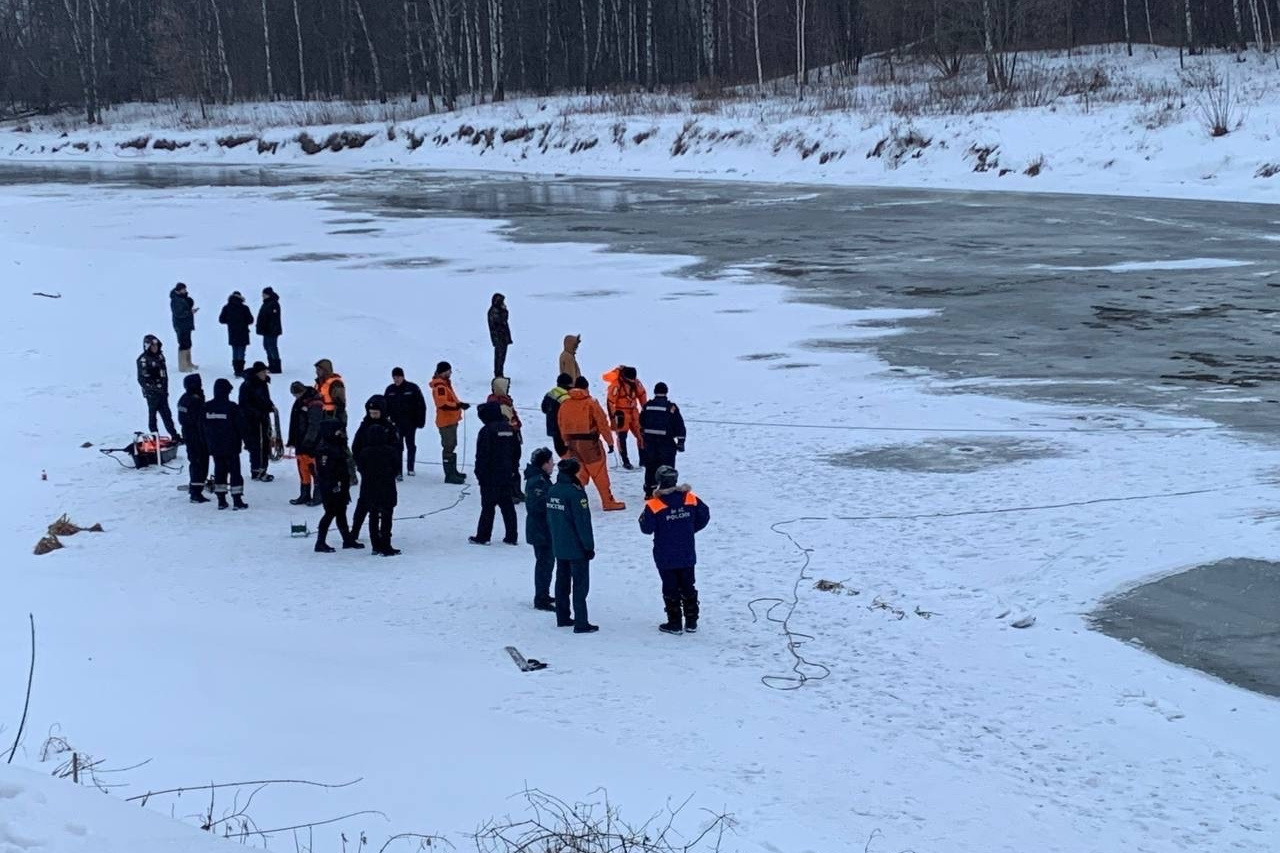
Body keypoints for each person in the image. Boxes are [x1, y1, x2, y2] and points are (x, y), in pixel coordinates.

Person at [638, 465, 710, 634]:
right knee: (688, 585)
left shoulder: (654, 504)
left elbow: (646, 528)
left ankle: (675, 622)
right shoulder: (689, 498)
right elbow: (704, 515)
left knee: (670, 587)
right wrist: (690, 529)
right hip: (687, 552)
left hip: (665, 554)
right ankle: (692, 621)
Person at [556, 376, 625, 511]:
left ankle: (573, 501)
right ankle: (608, 501)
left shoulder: (564, 404)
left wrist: (565, 441)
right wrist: (609, 442)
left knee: (579, 473)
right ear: (586, 388)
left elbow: (561, 424)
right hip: (590, 443)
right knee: (599, 473)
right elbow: (602, 423)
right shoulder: (590, 403)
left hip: (572, 443)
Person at [546, 458, 597, 633]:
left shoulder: (552, 490)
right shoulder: (575, 493)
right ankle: (581, 622)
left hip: (559, 545)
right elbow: (582, 523)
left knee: (561, 582)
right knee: (580, 585)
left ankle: (562, 616)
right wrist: (588, 546)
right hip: (576, 548)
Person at [351, 395, 402, 556]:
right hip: (369, 475)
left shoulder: (389, 427)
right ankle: (356, 533)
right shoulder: (364, 426)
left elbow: (397, 451)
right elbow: (356, 448)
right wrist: (362, 468)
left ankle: (380, 542)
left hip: (383, 476)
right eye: (371, 412)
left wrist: (394, 471)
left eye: (376, 413)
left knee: (378, 511)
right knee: (365, 507)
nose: (373, 415)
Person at [468, 402, 521, 546]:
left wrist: (479, 473)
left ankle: (483, 536)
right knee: (508, 506)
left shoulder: (486, 431)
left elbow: (482, 455)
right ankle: (512, 536)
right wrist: (513, 469)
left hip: (490, 475)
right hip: (506, 473)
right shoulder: (510, 429)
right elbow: (517, 451)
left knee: (488, 506)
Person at [313, 422, 364, 552]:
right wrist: (334, 484)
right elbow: (325, 470)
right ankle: (320, 542)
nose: (341, 433)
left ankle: (347, 539)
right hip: (331, 485)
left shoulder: (338, 445)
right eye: (338, 431)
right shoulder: (325, 448)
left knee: (341, 512)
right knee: (330, 513)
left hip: (341, 483)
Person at [202, 378, 249, 510]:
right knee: (235, 473)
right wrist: (248, 442)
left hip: (215, 447)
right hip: (231, 446)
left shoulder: (206, 407)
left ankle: (221, 500)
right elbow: (241, 427)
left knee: (219, 472)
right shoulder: (232, 407)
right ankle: (237, 500)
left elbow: (202, 427)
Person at [639, 382, 687, 499]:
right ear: (666, 392)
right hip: (666, 445)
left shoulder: (647, 406)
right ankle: (667, 493)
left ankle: (649, 492)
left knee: (650, 468)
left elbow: (641, 422)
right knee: (667, 469)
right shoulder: (671, 407)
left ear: (655, 392)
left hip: (650, 444)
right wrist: (681, 442)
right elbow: (679, 426)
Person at [524, 447, 556, 611]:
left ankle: (544, 593)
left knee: (548, 562)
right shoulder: (538, 481)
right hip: (540, 529)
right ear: (544, 464)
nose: (553, 464)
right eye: (551, 461)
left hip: (543, 528)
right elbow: (537, 505)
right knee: (544, 562)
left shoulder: (541, 479)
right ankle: (541, 597)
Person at [315, 358, 356, 485]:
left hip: (334, 417)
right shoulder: (320, 382)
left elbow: (341, 403)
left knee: (341, 445)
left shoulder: (335, 383)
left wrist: (340, 423)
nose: (317, 372)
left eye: (319, 369)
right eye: (316, 369)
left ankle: (351, 475)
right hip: (323, 417)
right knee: (325, 445)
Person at [430, 361, 470, 484]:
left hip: (451, 420)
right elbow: (442, 404)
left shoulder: (445, 384)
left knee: (452, 445)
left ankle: (453, 471)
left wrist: (458, 405)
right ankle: (449, 475)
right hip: (446, 421)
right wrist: (458, 406)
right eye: (449, 371)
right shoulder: (440, 387)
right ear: (443, 371)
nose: (450, 373)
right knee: (448, 446)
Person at [287, 380, 325, 506]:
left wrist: (309, 440)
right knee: (303, 470)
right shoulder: (301, 401)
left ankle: (318, 495)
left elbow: (315, 425)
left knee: (314, 470)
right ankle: (305, 494)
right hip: (300, 441)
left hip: (312, 444)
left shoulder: (314, 402)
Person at [384, 367, 427, 479]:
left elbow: (421, 405)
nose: (396, 379)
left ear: (403, 376)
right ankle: (398, 471)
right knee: (397, 447)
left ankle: (410, 467)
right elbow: (385, 406)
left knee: (411, 445)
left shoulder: (412, 388)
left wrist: (420, 421)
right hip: (395, 424)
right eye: (394, 377)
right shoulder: (390, 390)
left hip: (410, 423)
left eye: (398, 377)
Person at [602, 365, 648, 470]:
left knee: (641, 435)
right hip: (621, 413)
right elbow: (610, 402)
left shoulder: (636, 383)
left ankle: (643, 460)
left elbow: (642, 394)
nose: (633, 381)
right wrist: (613, 419)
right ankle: (625, 461)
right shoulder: (616, 385)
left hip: (634, 412)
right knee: (622, 437)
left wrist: (645, 410)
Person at [136, 334, 180, 441]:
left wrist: (164, 390)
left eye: (156, 345)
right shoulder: (143, 360)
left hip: (162, 393)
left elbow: (164, 376)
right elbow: (142, 379)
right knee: (153, 417)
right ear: (148, 346)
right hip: (152, 395)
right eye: (152, 346)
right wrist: (154, 389)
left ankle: (174, 436)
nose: (155, 348)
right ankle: (155, 438)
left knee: (167, 415)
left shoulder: (160, 357)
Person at [487, 376, 524, 501]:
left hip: (511, 437)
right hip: (506, 439)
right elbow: (508, 423)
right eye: (506, 387)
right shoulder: (499, 405)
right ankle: (510, 493)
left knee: (513, 465)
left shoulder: (505, 402)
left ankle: (516, 491)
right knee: (508, 466)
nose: (508, 389)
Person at [238, 361, 276, 482]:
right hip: (252, 421)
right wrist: (256, 412)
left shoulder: (262, 384)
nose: (265, 374)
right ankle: (256, 470)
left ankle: (262, 469)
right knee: (256, 446)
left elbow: (265, 399)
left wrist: (270, 406)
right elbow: (244, 404)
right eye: (263, 372)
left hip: (263, 418)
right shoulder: (247, 385)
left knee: (264, 444)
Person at [176, 373, 210, 504]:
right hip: (197, 435)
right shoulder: (195, 400)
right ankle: (196, 491)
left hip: (189, 434)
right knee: (200, 462)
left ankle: (196, 487)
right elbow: (199, 419)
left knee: (196, 461)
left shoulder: (184, 399)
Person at [218, 291, 254, 377]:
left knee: (235, 351)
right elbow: (251, 320)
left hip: (232, 333)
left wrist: (230, 321)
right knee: (241, 351)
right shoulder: (244, 308)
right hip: (243, 332)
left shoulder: (226, 307)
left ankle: (236, 370)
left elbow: (221, 320)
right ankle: (240, 370)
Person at [169, 282, 199, 373]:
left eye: (185, 289)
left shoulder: (183, 298)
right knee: (183, 344)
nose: (185, 291)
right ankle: (183, 366)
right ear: (178, 290)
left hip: (187, 325)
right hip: (180, 326)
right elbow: (179, 313)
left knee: (188, 343)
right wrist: (190, 312)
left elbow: (188, 305)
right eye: (183, 289)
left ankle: (188, 363)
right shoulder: (175, 300)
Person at [541, 373, 572, 458]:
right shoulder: (567, 397)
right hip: (564, 431)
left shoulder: (550, 393)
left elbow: (544, 408)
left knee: (561, 452)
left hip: (553, 430)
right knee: (568, 454)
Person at [256, 287, 283, 374]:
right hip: (266, 330)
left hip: (271, 331)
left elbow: (273, 318)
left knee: (272, 347)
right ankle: (271, 365)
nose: (262, 296)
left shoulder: (273, 304)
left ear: (268, 295)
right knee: (267, 347)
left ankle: (276, 366)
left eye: (264, 295)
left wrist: (271, 328)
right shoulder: (266, 303)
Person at [488, 293, 513, 378]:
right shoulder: (494, 311)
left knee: (502, 357)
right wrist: (504, 311)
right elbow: (501, 321)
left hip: (503, 337)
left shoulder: (497, 310)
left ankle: (500, 372)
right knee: (499, 357)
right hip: (499, 338)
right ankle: (498, 373)